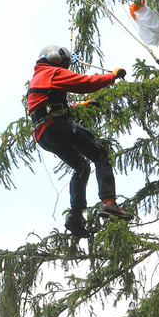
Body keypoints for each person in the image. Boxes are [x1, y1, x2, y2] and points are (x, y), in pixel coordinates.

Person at [27, 45, 134, 239]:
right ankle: (109, 203)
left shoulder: (39, 77)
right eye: (65, 63)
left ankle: (75, 216)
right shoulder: (52, 72)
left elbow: (49, 106)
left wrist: (80, 105)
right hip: (55, 125)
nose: (66, 68)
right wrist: (113, 76)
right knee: (99, 154)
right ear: (56, 58)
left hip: (44, 134)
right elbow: (85, 83)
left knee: (82, 168)